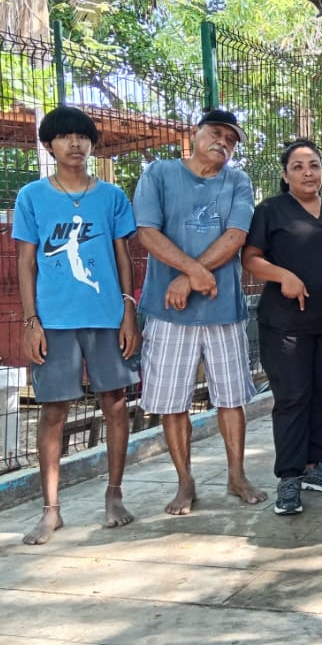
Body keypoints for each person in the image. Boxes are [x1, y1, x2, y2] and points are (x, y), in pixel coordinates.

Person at [13, 106, 140, 544]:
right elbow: (27, 262)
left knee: (116, 402)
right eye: (64, 137)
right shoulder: (31, 197)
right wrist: (32, 321)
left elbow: (124, 256)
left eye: (82, 136)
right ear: (49, 145)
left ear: (91, 143)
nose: (74, 144)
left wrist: (129, 310)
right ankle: (51, 510)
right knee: (53, 410)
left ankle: (115, 495)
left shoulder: (112, 197)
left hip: (106, 318)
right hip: (55, 322)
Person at [133, 108, 267, 514]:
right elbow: (147, 232)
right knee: (172, 402)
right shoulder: (159, 174)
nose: (223, 142)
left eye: (231, 138)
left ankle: (236, 475)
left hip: (223, 309)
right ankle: (185, 482)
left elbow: (237, 235)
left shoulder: (237, 181)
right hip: (169, 311)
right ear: (195, 134)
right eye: (216, 133)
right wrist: (191, 271)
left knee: (231, 399)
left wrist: (189, 277)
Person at [245, 140, 322, 514]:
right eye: (298, 166)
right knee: (293, 397)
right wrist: (283, 275)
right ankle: (289, 477)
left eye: (313, 165)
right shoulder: (271, 211)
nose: (307, 172)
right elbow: (251, 258)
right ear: (285, 175)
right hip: (285, 324)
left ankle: (314, 466)